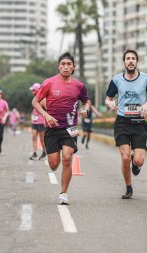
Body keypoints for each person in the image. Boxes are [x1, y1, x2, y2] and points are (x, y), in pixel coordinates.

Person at [32, 52, 91, 205]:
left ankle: (64, 193)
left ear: (73, 67)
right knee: (53, 164)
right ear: (58, 67)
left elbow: (86, 101)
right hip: (52, 128)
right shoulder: (49, 83)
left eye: (68, 64)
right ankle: (53, 160)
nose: (66, 67)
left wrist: (85, 109)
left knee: (67, 158)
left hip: (70, 128)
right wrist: (46, 115)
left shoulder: (79, 86)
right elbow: (35, 101)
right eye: (63, 64)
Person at [105, 49, 147, 199]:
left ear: (136, 62)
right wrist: (109, 103)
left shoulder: (146, 79)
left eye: (133, 58)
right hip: (122, 121)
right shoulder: (117, 80)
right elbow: (108, 98)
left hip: (139, 123)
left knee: (138, 160)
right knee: (125, 157)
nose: (130, 61)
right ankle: (128, 187)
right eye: (128, 58)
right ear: (124, 62)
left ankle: (136, 163)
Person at [29, 83, 47, 160]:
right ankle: (34, 153)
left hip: (41, 122)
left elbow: (48, 110)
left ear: (37, 90)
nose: (32, 91)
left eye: (33, 90)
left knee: (42, 139)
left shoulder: (43, 100)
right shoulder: (35, 98)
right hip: (34, 121)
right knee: (34, 137)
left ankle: (44, 151)